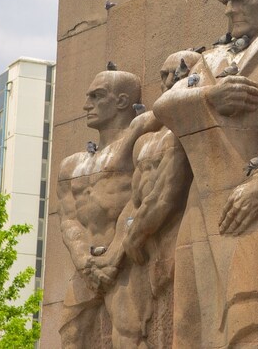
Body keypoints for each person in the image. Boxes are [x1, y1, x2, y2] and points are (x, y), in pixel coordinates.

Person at [152, 0, 258, 348]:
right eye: (226, 1)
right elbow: (165, 106)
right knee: (190, 320)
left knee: (251, 313)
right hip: (201, 204)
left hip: (251, 199)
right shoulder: (212, 59)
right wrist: (210, 97)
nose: (230, 9)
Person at [97, 50, 201, 348]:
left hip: (172, 234)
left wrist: (136, 235)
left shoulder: (184, 132)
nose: (169, 81)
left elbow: (168, 192)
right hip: (139, 239)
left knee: (174, 326)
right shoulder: (146, 137)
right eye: (163, 76)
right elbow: (135, 199)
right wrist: (118, 251)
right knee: (126, 327)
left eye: (177, 73)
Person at [57, 70, 159, 347]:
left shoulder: (139, 144)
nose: (86, 105)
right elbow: (68, 220)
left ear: (123, 101)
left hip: (125, 261)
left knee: (129, 336)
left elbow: (141, 198)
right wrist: (82, 259)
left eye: (97, 96)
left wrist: (115, 253)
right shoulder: (70, 165)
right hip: (86, 266)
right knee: (70, 335)